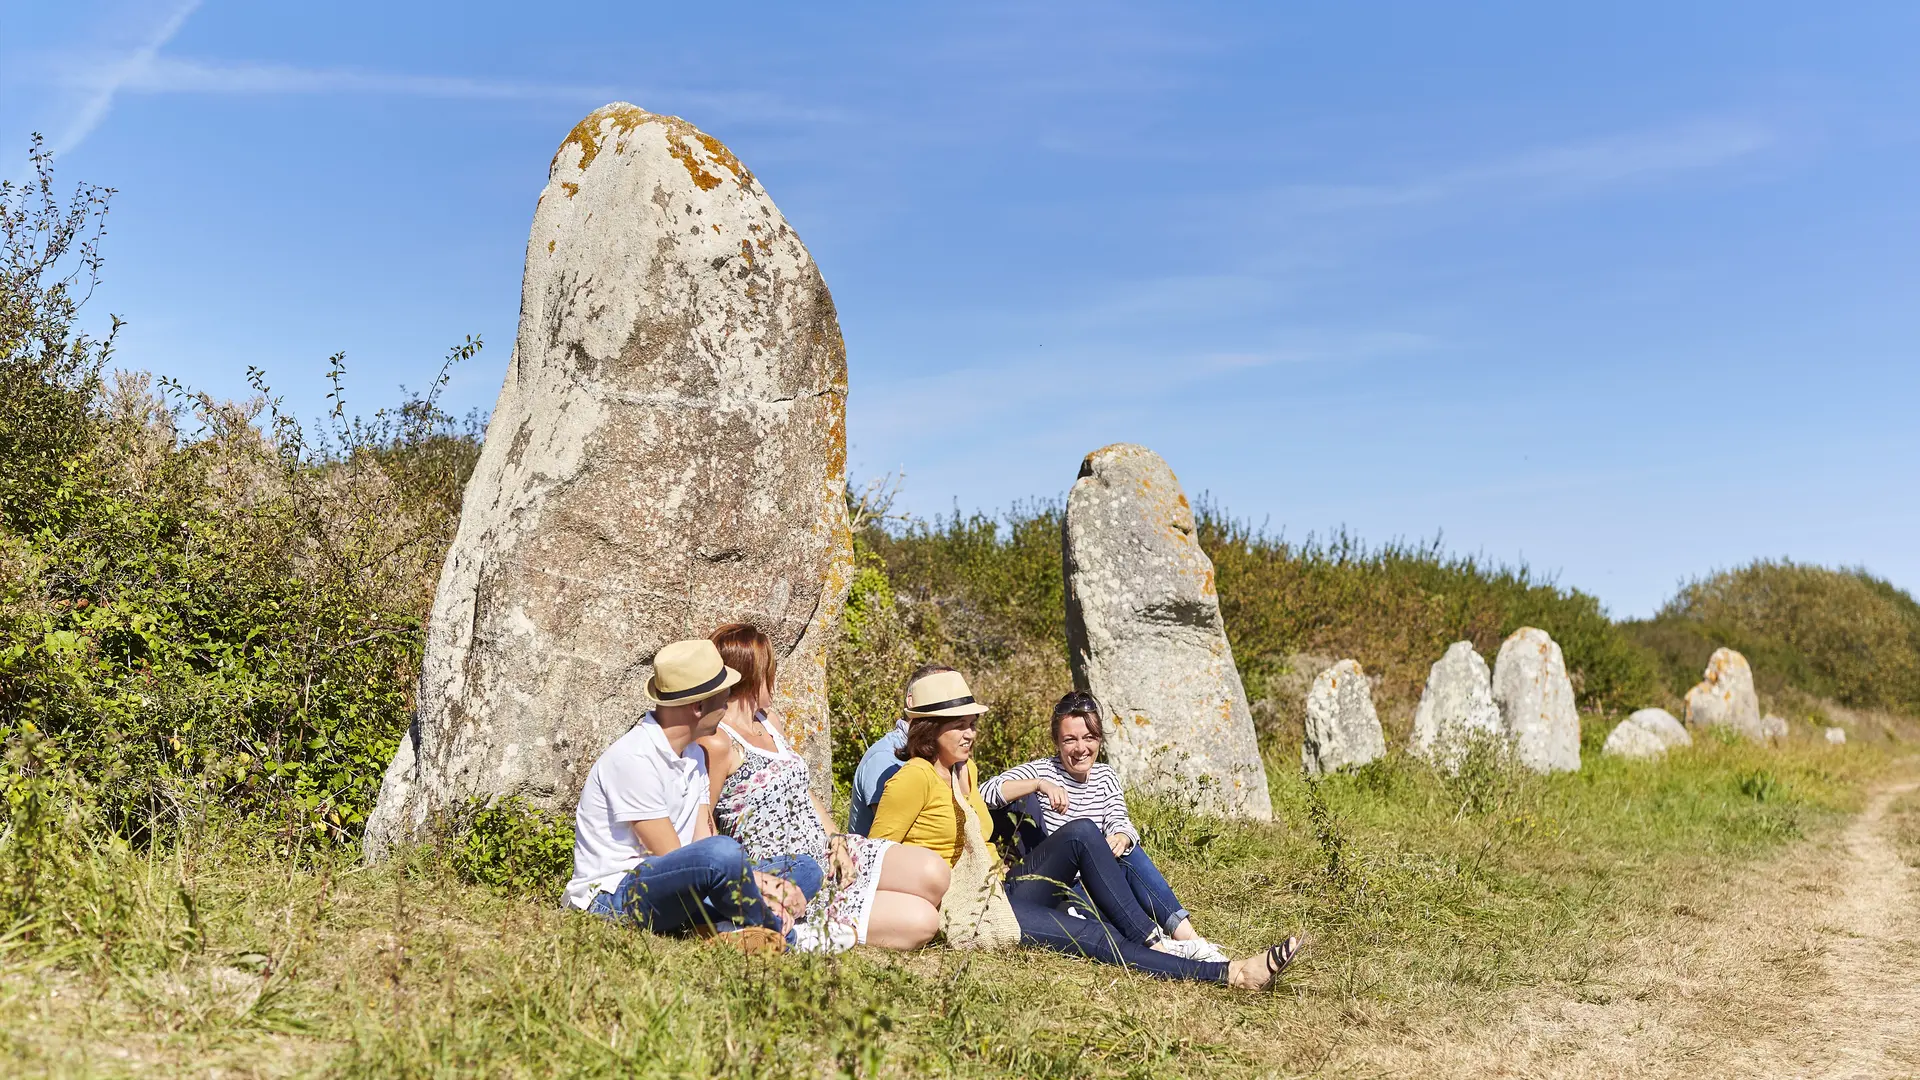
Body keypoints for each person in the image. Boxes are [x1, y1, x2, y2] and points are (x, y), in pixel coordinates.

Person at [869, 668, 1302, 989]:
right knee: (1092, 936)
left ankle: (1154, 940)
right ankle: (1233, 974)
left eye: (973, 723)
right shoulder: (913, 778)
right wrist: (922, 912)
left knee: (1082, 831)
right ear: (930, 728)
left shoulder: (964, 771)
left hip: (998, 887)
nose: (971, 733)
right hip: (967, 908)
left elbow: (985, 826)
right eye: (960, 725)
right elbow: (876, 857)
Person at [699, 623, 950, 952]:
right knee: (922, 922)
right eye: (771, 668)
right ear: (753, 673)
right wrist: (742, 879)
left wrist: (837, 839)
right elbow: (704, 818)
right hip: (788, 868)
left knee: (935, 873)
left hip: (826, 850)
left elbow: (803, 790)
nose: (775, 676)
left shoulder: (769, 722)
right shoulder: (718, 741)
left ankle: (806, 928)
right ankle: (792, 931)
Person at [563, 638, 821, 953]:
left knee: (804, 867)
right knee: (723, 854)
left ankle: (726, 925)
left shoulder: (693, 754)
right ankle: (784, 935)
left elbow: (701, 840)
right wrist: (762, 884)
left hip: (687, 880)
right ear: (698, 707)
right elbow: (670, 856)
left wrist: (753, 880)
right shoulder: (633, 758)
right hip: (616, 896)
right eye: (723, 700)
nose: (727, 709)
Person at [982, 691, 1226, 962]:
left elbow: (1120, 820)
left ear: (1099, 738)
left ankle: (1191, 940)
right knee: (1087, 837)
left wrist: (1121, 836)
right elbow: (986, 793)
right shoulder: (1043, 770)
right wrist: (1039, 785)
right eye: (1070, 739)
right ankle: (1160, 946)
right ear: (1056, 742)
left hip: (1094, 878)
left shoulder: (1105, 776)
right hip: (1058, 884)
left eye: (1089, 737)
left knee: (1128, 849)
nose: (1080, 748)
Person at [846, 663, 953, 835]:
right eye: (941, 692)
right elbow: (889, 833)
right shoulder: (885, 758)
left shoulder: (948, 757)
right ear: (911, 701)